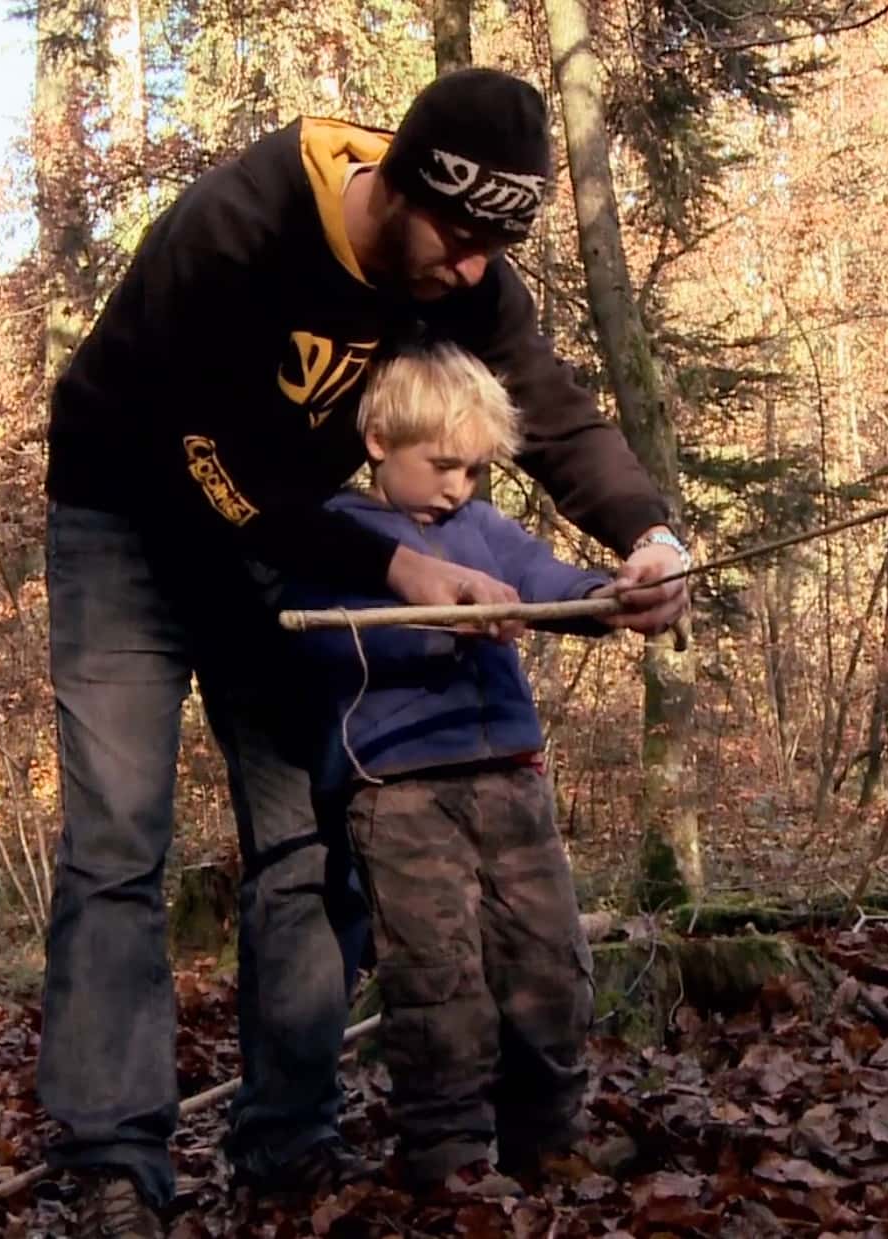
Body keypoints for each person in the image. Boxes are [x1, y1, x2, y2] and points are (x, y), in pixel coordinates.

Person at [37, 67, 693, 1238]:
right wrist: (392, 567)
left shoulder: (467, 269)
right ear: (395, 187)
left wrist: (647, 537)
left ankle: (286, 1144)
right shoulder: (238, 228)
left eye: (500, 243)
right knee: (116, 847)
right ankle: (108, 1164)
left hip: (289, 534)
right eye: (460, 237)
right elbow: (198, 455)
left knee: (301, 841)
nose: (475, 268)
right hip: (125, 513)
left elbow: (550, 411)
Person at [287, 343, 610, 1192]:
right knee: (437, 978)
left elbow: (547, 579)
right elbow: (339, 641)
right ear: (378, 441)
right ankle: (451, 1154)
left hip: (510, 775)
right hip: (399, 791)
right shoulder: (339, 531)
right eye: (439, 464)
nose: (456, 486)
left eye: (471, 468)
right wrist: (442, 622)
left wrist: (611, 596)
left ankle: (549, 1136)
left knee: (546, 959)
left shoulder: (483, 528)